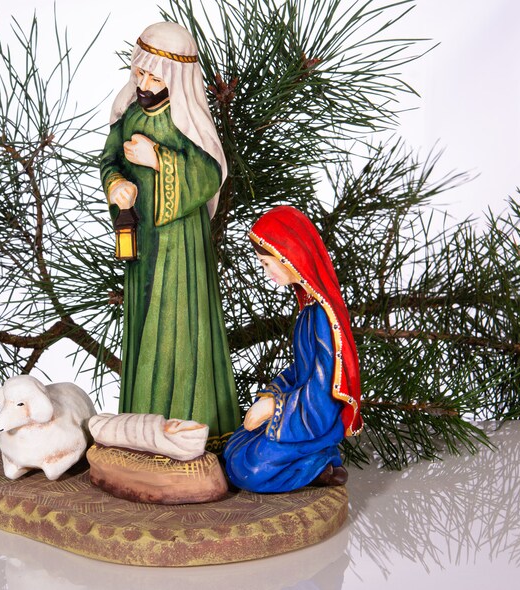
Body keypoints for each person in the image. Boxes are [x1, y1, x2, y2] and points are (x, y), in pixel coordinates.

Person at [100, 22, 240, 451]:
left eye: (156, 78)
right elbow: (109, 159)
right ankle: (141, 427)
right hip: (141, 238)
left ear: (177, 79)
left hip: (180, 246)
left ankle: (193, 429)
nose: (144, 85)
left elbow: (209, 173)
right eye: (140, 73)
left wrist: (158, 158)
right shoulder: (130, 114)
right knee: (143, 321)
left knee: (180, 323)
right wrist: (116, 186)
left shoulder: (186, 121)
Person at [223, 206, 363, 492]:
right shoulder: (309, 311)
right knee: (233, 448)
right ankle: (317, 462)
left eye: (267, 263)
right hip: (299, 412)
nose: (267, 273)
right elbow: (301, 371)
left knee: (248, 469)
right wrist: (270, 399)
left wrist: (274, 409)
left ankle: (319, 463)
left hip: (316, 417)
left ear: (289, 254)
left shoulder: (323, 317)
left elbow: (323, 390)